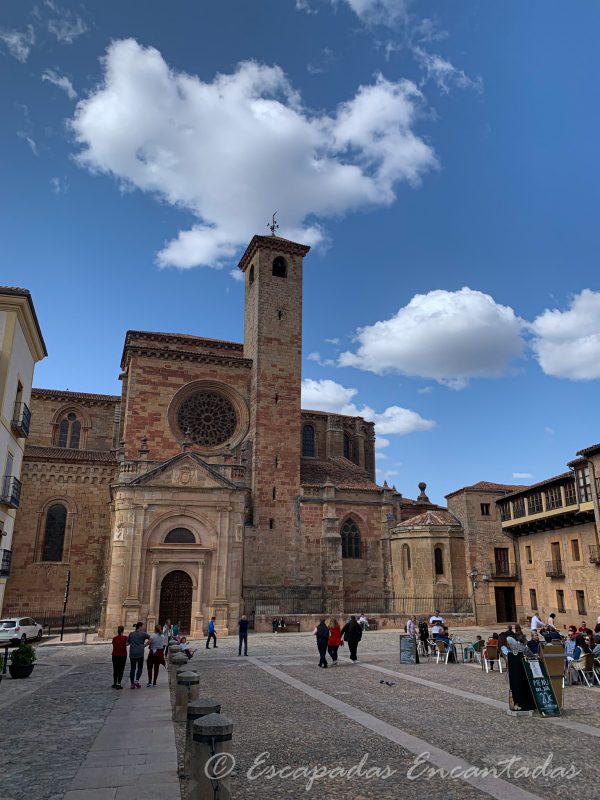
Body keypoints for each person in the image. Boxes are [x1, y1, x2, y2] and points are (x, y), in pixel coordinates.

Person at [499, 632, 537, 711]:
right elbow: (510, 657)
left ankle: (520, 703)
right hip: (517, 671)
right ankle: (520, 704)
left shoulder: (509, 648)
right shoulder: (508, 648)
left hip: (516, 671)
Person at [127, 622, 150, 689]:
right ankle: (136, 681)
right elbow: (151, 639)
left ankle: (132, 684)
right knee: (140, 667)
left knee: (132, 668)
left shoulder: (131, 634)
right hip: (140, 653)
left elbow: (127, 643)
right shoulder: (143, 634)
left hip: (132, 653)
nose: (143, 628)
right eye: (142, 626)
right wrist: (145, 645)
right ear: (140, 627)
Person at [111, 625, 128, 689]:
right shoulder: (125, 638)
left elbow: (114, 644)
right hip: (122, 655)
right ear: (123, 631)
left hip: (115, 655)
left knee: (115, 669)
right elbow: (127, 644)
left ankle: (114, 683)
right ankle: (119, 683)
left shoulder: (114, 638)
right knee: (121, 669)